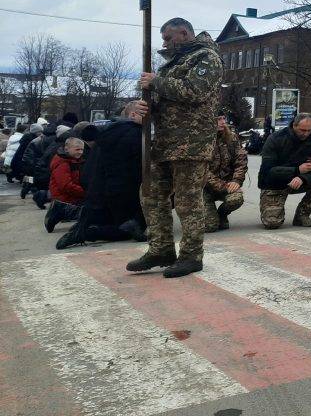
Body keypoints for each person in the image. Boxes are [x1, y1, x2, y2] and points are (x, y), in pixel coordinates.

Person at [127, 17, 224, 278]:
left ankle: (192, 255)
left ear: (184, 33)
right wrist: (140, 107)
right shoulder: (174, 63)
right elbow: (161, 97)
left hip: (191, 145)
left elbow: (195, 91)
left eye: (168, 38)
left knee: (187, 201)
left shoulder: (206, 58)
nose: (164, 43)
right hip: (165, 143)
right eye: (163, 39)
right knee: (150, 192)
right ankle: (161, 249)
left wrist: (156, 82)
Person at [56, 105, 146, 250]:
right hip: (122, 193)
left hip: (98, 192)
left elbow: (90, 168)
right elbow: (139, 169)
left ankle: (79, 227)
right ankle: (87, 233)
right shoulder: (136, 134)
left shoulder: (108, 132)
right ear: (133, 115)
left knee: (110, 220)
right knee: (127, 229)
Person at [258, 112, 311, 229]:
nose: (306, 134)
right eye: (302, 130)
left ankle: (302, 215)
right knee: (272, 223)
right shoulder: (275, 138)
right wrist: (296, 170)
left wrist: (302, 178)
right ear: (294, 125)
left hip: (299, 180)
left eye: (309, 130)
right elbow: (268, 170)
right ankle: (273, 210)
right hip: (274, 183)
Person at [204, 115, 248, 232]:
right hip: (204, 189)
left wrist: (236, 181)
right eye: (218, 119)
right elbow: (201, 171)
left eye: (224, 118)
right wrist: (224, 186)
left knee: (236, 198)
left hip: (228, 185)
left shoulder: (232, 138)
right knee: (210, 226)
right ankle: (210, 217)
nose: (223, 122)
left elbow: (241, 161)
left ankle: (222, 215)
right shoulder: (200, 139)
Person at [45, 137, 87, 232]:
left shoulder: (72, 160)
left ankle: (58, 213)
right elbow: (66, 186)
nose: (80, 152)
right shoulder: (63, 163)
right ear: (67, 148)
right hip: (65, 199)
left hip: (68, 197)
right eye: (77, 149)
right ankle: (58, 211)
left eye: (82, 149)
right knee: (89, 211)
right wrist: (85, 192)